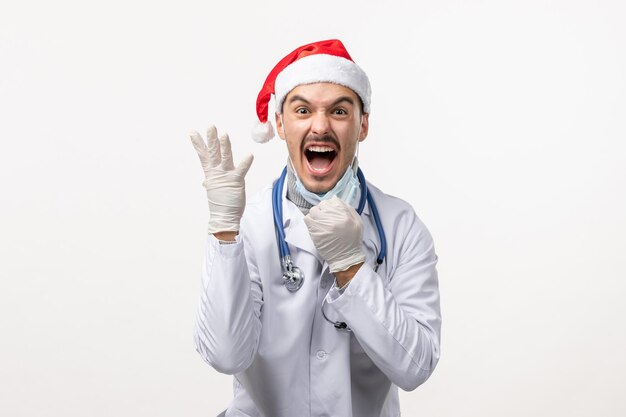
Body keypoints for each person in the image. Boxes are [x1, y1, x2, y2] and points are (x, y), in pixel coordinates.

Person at [190, 39, 441, 417]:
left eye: (339, 111)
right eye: (303, 110)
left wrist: (352, 270)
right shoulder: (253, 223)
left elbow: (415, 366)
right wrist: (224, 231)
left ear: (363, 125)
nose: (320, 126)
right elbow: (226, 354)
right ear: (279, 122)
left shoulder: (400, 227)